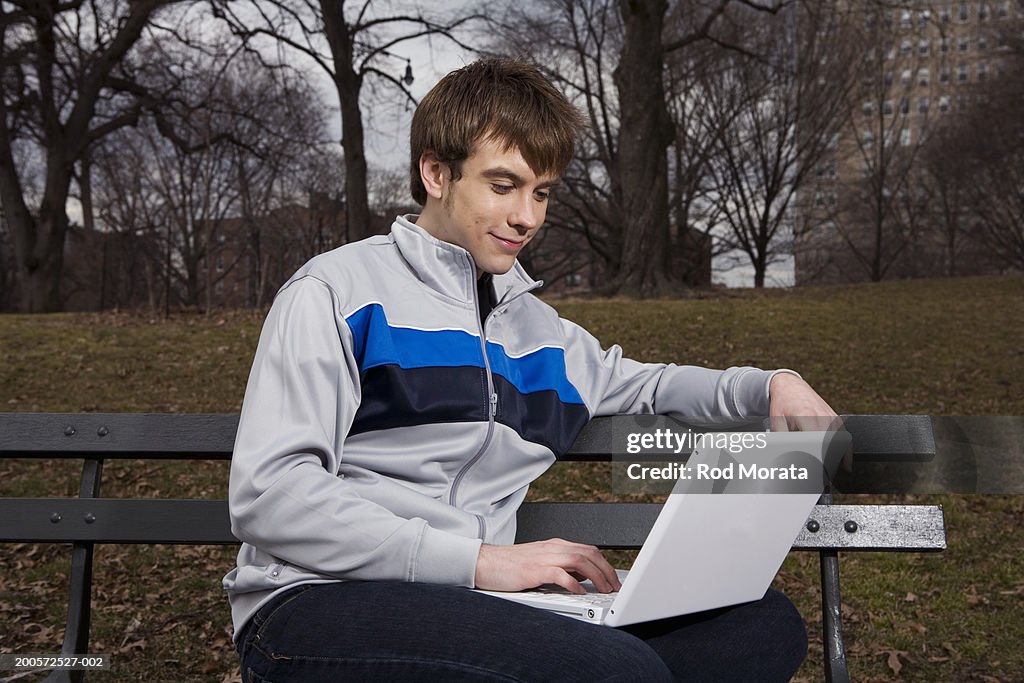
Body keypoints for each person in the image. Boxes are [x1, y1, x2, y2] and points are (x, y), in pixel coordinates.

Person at [224, 57, 837, 682]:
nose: (528, 216)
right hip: (318, 601)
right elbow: (271, 494)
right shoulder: (336, 293)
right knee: (615, 673)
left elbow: (650, 384)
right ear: (437, 173)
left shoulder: (541, 334)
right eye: (503, 185)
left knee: (759, 628)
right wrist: (480, 561)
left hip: (480, 604)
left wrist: (770, 383)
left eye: (541, 191)